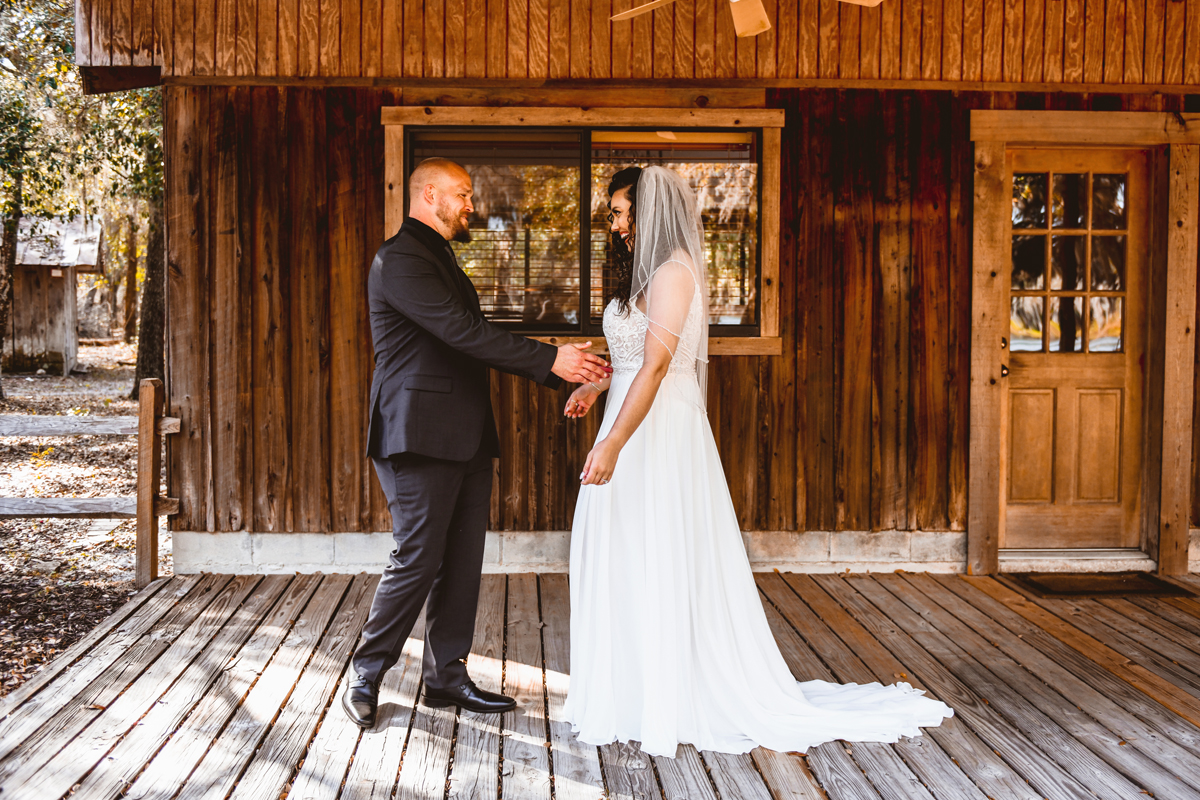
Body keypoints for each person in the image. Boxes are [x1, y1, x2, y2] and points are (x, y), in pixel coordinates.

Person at [561, 165, 953, 757]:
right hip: (631, 416)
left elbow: (661, 366)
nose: (615, 225)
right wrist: (597, 387)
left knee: (661, 549)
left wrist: (612, 441)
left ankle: (673, 689)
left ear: (650, 213)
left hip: (660, 436)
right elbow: (636, 352)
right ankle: (631, 686)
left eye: (620, 212)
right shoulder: (644, 275)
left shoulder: (673, 273)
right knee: (625, 547)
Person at [343, 158, 611, 729]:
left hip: (465, 433)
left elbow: (466, 341)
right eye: (462, 195)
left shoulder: (439, 257)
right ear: (430, 193)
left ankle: (445, 677)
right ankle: (367, 669)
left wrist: (552, 361)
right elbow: (463, 334)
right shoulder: (400, 259)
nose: (472, 205)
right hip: (415, 432)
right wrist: (551, 360)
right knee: (417, 556)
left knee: (462, 561)